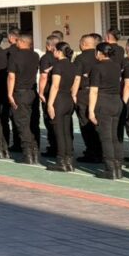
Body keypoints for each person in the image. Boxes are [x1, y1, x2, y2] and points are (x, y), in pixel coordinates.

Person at [87, 43, 126, 179]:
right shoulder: (116, 66)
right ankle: (118, 167)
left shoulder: (97, 67)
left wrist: (91, 110)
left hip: (104, 101)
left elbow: (93, 91)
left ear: (99, 53)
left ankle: (110, 169)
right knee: (115, 136)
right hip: (116, 101)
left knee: (106, 137)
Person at [7, 34, 41, 165]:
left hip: (20, 92)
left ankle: (28, 154)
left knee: (22, 123)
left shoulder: (15, 56)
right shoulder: (35, 55)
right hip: (32, 91)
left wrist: (10, 94)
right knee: (33, 122)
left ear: (21, 42)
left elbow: (11, 76)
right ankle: (35, 151)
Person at [44, 42, 78, 172]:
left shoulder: (58, 65)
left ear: (59, 51)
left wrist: (50, 104)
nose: (53, 52)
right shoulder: (72, 65)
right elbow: (75, 82)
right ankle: (69, 161)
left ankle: (61, 161)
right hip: (68, 98)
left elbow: (55, 86)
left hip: (59, 100)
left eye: (54, 50)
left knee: (59, 132)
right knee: (67, 132)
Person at [72, 33, 102, 163]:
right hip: (100, 93)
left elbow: (76, 78)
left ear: (83, 44)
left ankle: (92, 152)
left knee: (85, 123)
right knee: (98, 122)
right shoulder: (100, 56)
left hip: (84, 93)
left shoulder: (80, 58)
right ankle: (101, 151)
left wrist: (73, 94)